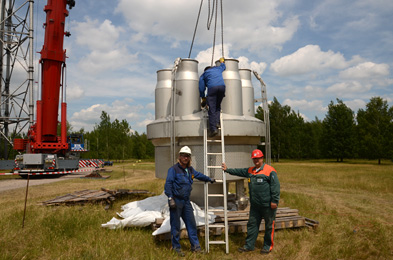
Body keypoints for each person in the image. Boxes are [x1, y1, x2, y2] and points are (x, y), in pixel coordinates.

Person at [221, 149, 280, 254]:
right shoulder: (250, 171)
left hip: (268, 205)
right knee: (252, 225)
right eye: (254, 159)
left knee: (269, 226)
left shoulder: (270, 170)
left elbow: (275, 187)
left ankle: (267, 246)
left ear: (262, 158)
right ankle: (249, 246)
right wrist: (227, 169)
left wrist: (274, 201)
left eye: (258, 158)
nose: (256, 160)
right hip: (255, 206)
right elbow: (239, 171)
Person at [164, 146, 216, 257]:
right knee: (175, 225)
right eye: (183, 155)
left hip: (186, 202)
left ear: (189, 158)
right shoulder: (173, 170)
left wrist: (209, 179)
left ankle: (195, 247)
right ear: (179, 157)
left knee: (191, 224)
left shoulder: (190, 170)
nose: (185, 158)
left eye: (187, 156)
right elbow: (168, 184)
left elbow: (199, 175)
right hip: (176, 201)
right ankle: (176, 248)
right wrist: (170, 198)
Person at [199, 57, 226, 137]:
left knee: (212, 108)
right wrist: (222, 61)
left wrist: (203, 97)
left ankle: (213, 129)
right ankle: (217, 122)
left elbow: (201, 88)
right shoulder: (218, 69)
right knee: (218, 106)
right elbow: (223, 66)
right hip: (222, 87)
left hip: (212, 89)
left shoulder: (204, 74)